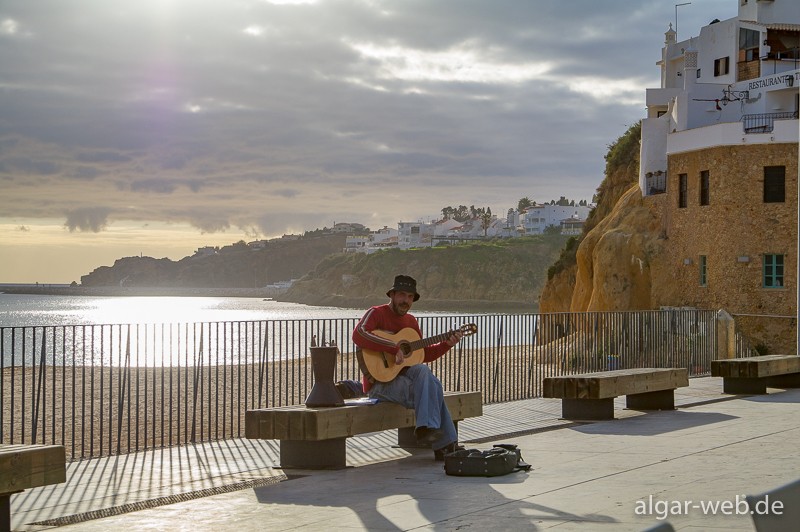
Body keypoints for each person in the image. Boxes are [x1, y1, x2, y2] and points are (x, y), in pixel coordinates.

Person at [352, 274, 464, 460]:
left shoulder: (411, 323)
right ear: (393, 295)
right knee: (433, 387)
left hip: (406, 383)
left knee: (426, 375)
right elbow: (359, 334)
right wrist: (392, 347)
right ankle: (444, 444)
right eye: (402, 295)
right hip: (380, 385)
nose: (406, 300)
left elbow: (422, 356)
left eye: (410, 297)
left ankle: (426, 430)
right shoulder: (376, 313)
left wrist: (447, 344)